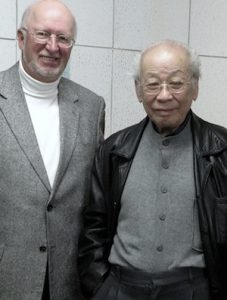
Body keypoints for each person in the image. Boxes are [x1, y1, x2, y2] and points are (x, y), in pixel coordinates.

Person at [78, 39, 227, 300]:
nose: (164, 95)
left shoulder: (222, 149)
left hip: (193, 291)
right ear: (138, 90)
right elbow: (93, 226)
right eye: (153, 84)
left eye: (177, 83)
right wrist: (100, 286)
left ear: (195, 87)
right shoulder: (114, 150)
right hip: (119, 289)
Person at [0, 0, 105, 299]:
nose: (53, 46)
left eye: (63, 38)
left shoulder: (91, 106)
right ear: (21, 38)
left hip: (70, 280)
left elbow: (94, 200)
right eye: (42, 34)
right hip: (8, 276)